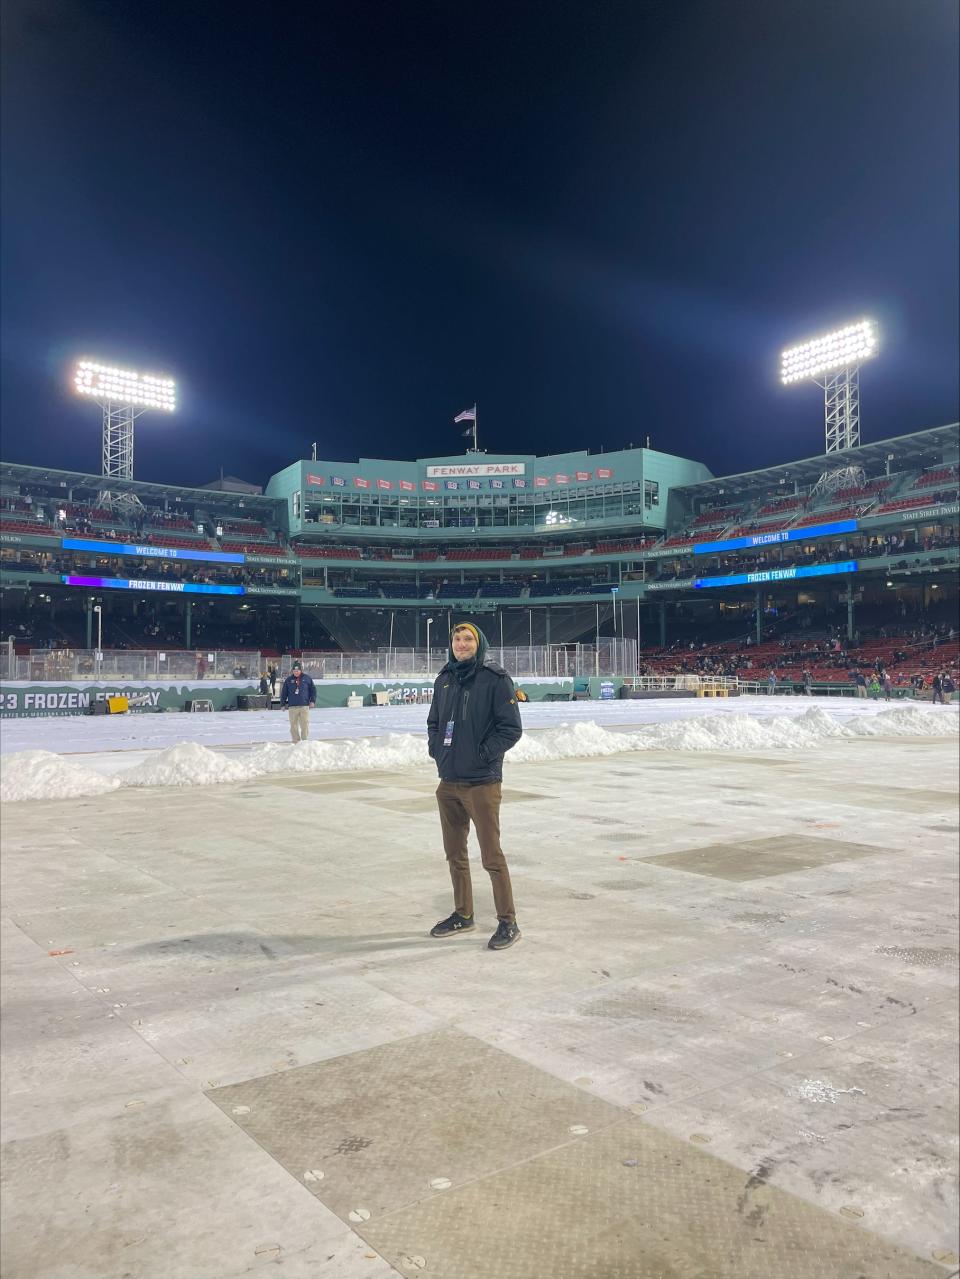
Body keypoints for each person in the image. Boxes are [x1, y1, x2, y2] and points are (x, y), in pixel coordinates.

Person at [426, 622, 523, 951]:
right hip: (448, 782)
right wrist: (437, 751)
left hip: (481, 783)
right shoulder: (444, 680)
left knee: (491, 856)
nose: (462, 644)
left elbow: (511, 729)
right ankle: (463, 914)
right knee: (455, 854)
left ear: (479, 643)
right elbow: (434, 723)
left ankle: (508, 921)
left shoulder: (495, 680)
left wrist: (483, 756)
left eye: (468, 639)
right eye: (457, 638)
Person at [280, 660, 316, 741]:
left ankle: (304, 741)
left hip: (304, 706)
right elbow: (284, 692)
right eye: (294, 671)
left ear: (301, 670)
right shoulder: (288, 680)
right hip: (293, 707)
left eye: (297, 670)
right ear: (292, 671)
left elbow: (313, 690)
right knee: (293, 726)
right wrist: (282, 704)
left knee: (304, 725)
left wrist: (312, 701)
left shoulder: (307, 678)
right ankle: (296, 742)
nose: (296, 672)